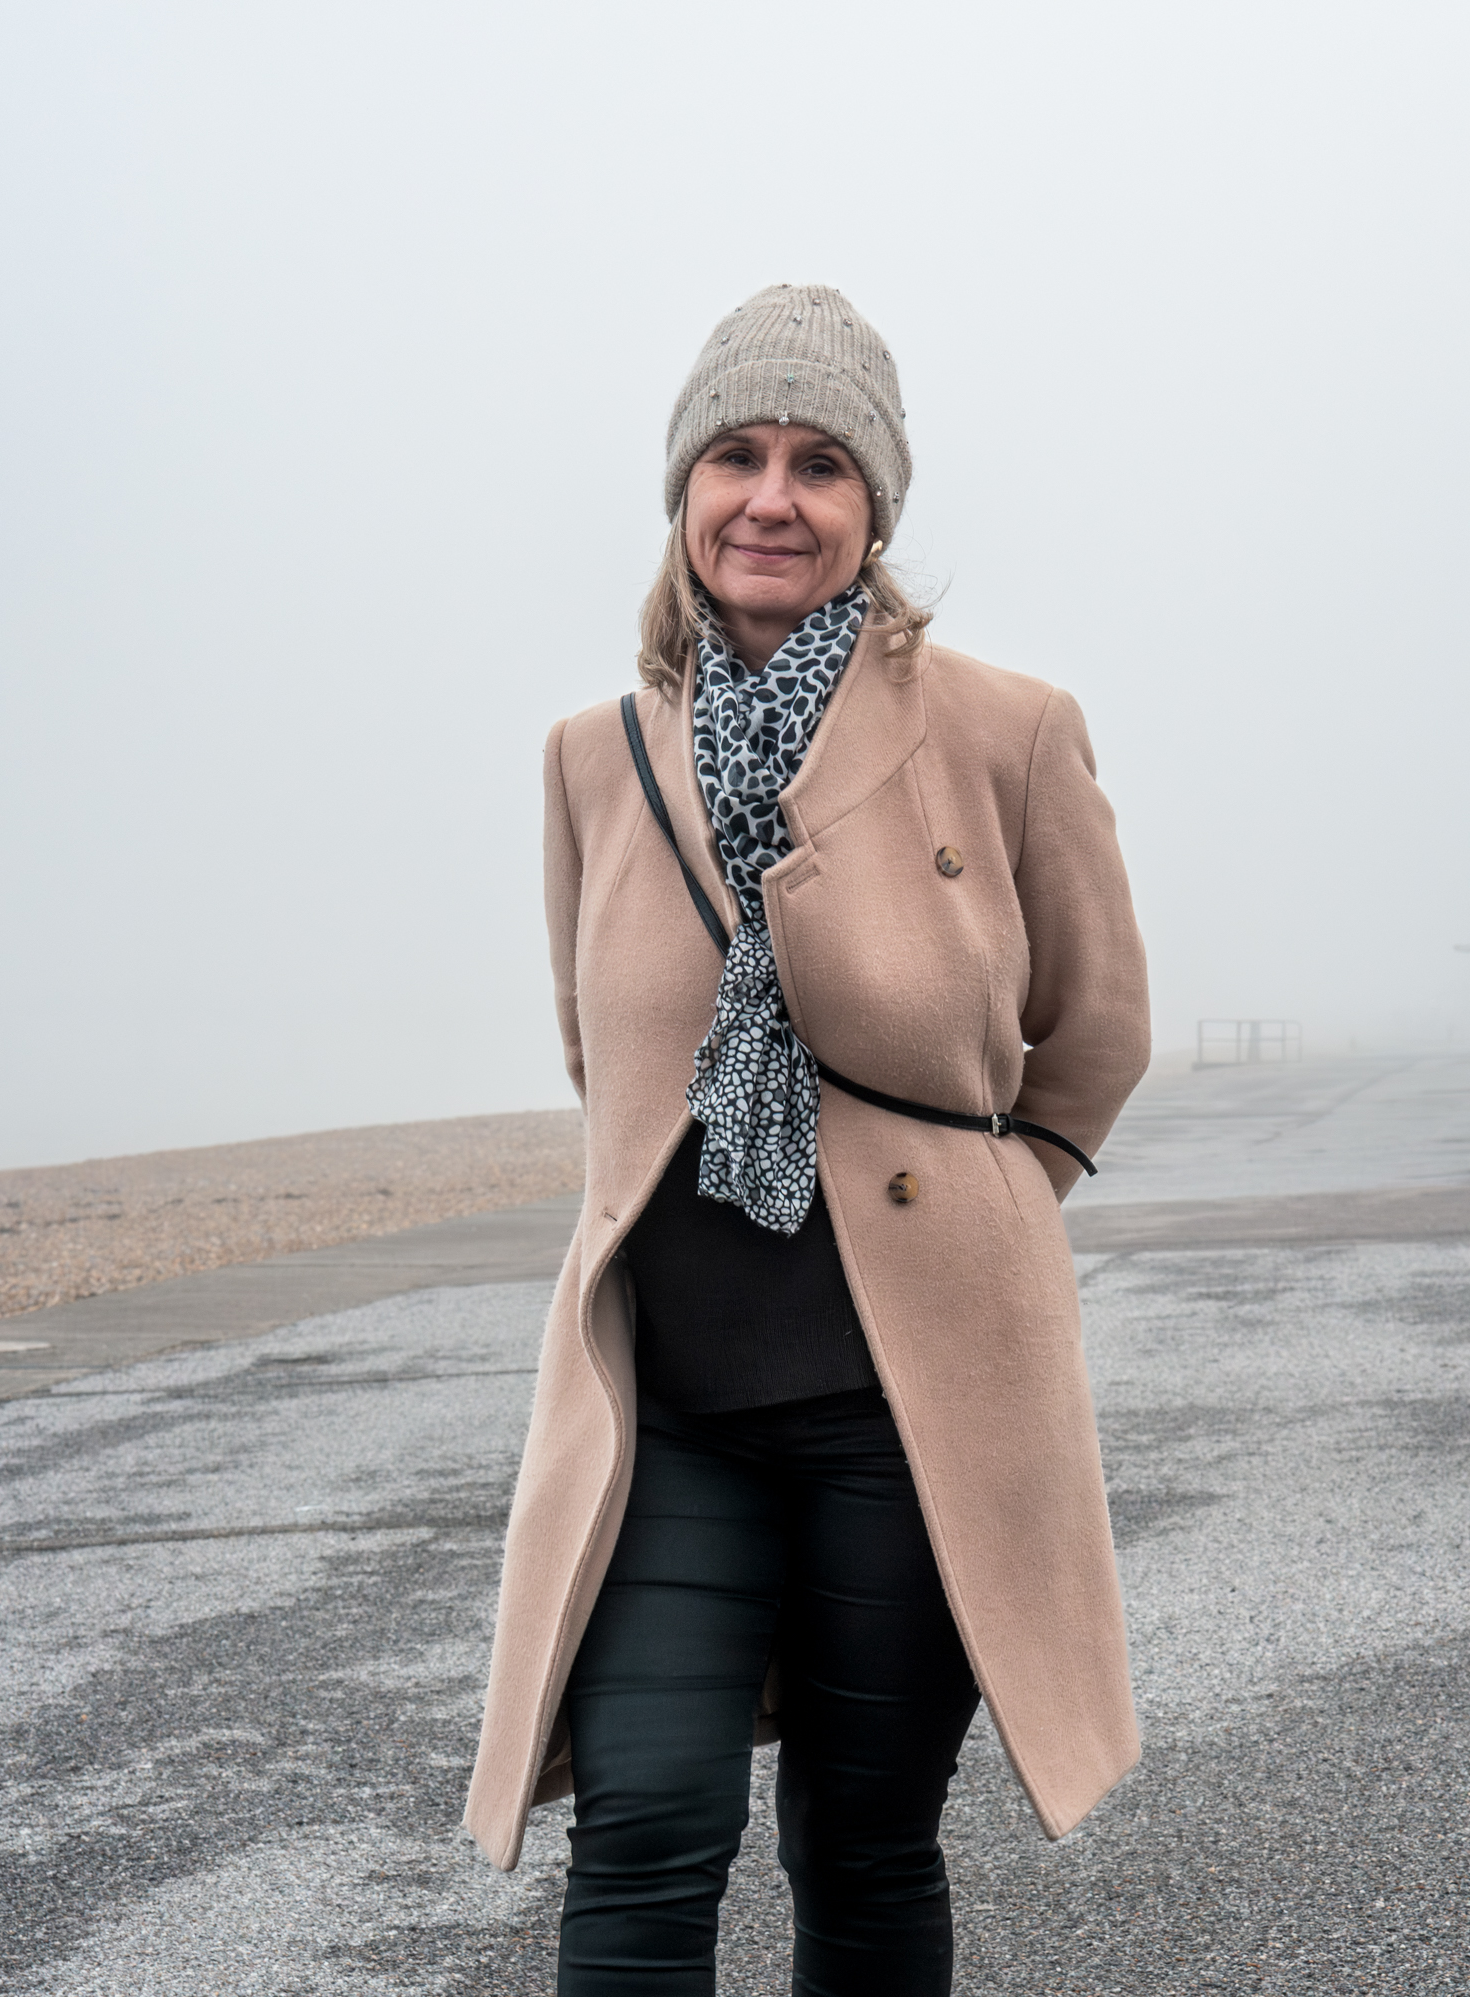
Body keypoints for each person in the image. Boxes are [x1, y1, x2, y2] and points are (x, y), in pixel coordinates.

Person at [464, 283, 1152, 1994]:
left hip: (913, 1412)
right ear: (684, 491)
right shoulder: (594, 759)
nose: (772, 497)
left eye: (821, 464)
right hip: (671, 1410)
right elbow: (602, 1056)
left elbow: (1098, 1034)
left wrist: (986, 1210)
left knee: (861, 1837)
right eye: (738, 457)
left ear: (875, 510)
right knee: (643, 1829)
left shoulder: (1006, 732)